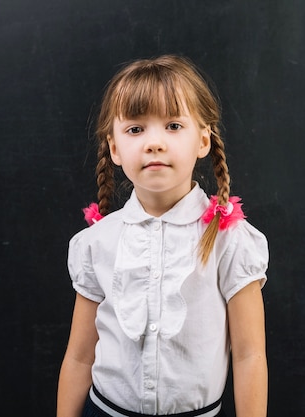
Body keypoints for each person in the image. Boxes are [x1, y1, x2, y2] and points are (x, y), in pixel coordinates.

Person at [57, 55, 269, 417]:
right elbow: (79, 357)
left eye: (173, 125)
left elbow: (250, 355)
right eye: (136, 129)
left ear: (203, 140)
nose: (154, 142)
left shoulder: (229, 240)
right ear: (114, 148)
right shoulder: (96, 242)